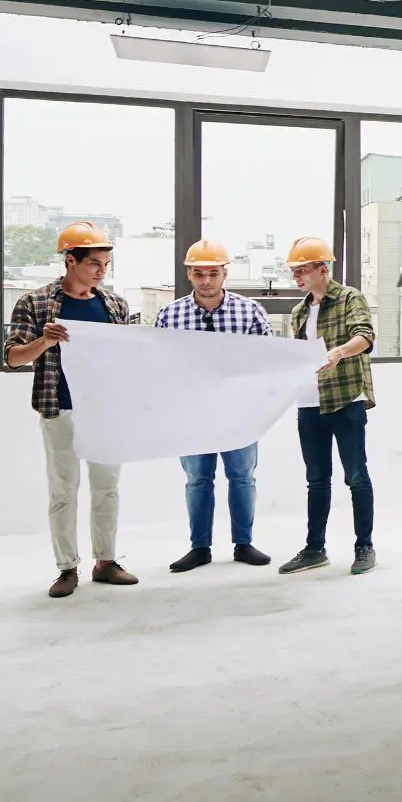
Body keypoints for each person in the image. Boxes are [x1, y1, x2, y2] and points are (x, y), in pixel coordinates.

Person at [3, 222, 137, 598]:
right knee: (63, 490)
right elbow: (12, 357)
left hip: (105, 411)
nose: (101, 271)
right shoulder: (35, 303)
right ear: (70, 261)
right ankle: (67, 568)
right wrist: (45, 341)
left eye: (105, 265)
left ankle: (105, 562)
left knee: (107, 488)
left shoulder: (114, 305)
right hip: (59, 408)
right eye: (94, 263)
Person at [152, 239, 275, 574]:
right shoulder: (170, 315)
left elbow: (268, 358)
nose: (206, 280)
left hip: (239, 413)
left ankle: (243, 544)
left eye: (212, 273)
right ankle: (199, 548)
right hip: (192, 414)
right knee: (197, 480)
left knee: (242, 477)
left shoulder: (249, 311)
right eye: (198, 274)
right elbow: (157, 363)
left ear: (224, 273)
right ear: (188, 274)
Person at [277, 234, 377, 575]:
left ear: (323, 269)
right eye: (294, 271)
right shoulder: (299, 311)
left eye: (302, 269)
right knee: (317, 480)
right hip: (310, 403)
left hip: (346, 398)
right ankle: (314, 549)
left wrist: (338, 352)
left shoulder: (350, 298)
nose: (296, 277)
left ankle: (364, 547)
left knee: (356, 476)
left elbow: (365, 336)